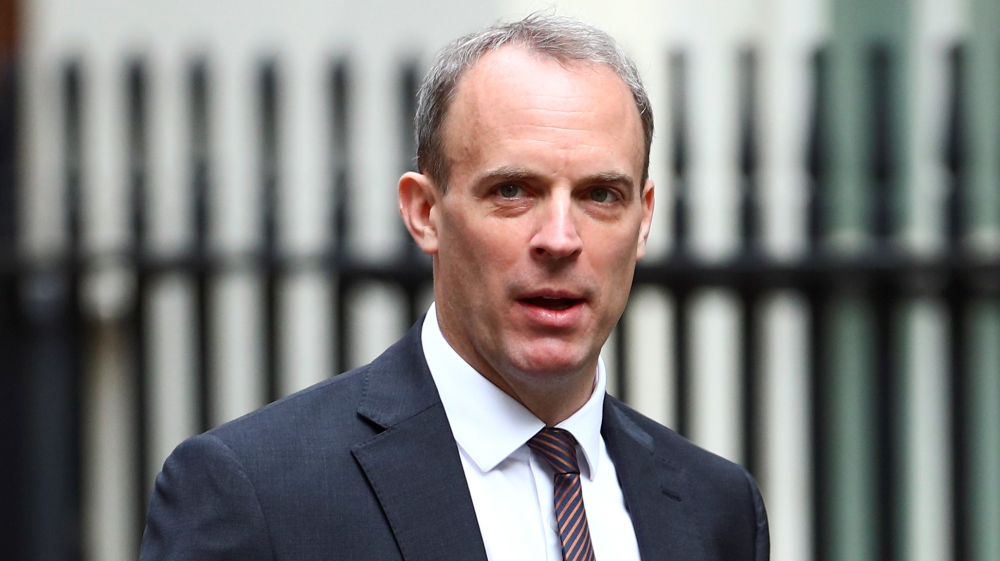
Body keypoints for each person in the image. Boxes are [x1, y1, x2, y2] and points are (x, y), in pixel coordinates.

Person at [140, 14, 769, 561]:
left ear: (645, 218)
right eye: (512, 191)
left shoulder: (717, 508)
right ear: (424, 212)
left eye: (600, 195)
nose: (560, 238)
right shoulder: (258, 492)